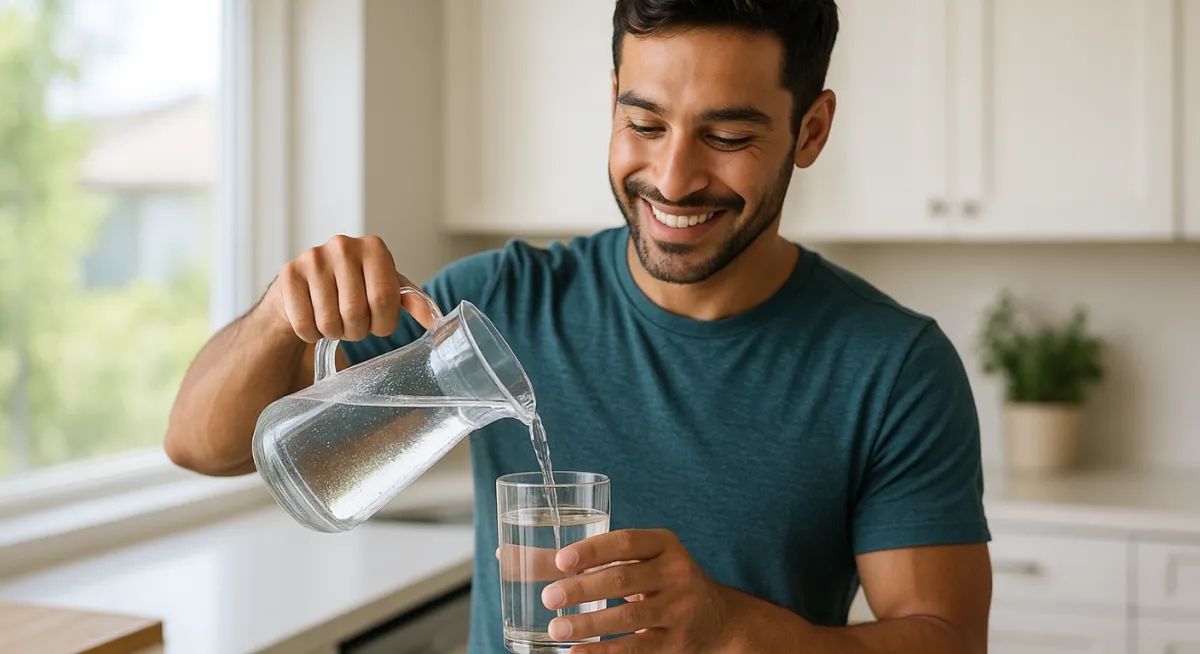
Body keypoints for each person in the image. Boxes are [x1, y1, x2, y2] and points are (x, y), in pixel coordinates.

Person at [165, 0, 993, 651]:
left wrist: (732, 632)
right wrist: (280, 316)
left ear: (809, 131)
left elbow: (945, 640)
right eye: (645, 123)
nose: (673, 178)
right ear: (611, 101)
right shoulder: (497, 304)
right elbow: (205, 445)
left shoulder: (892, 367)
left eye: (728, 134)